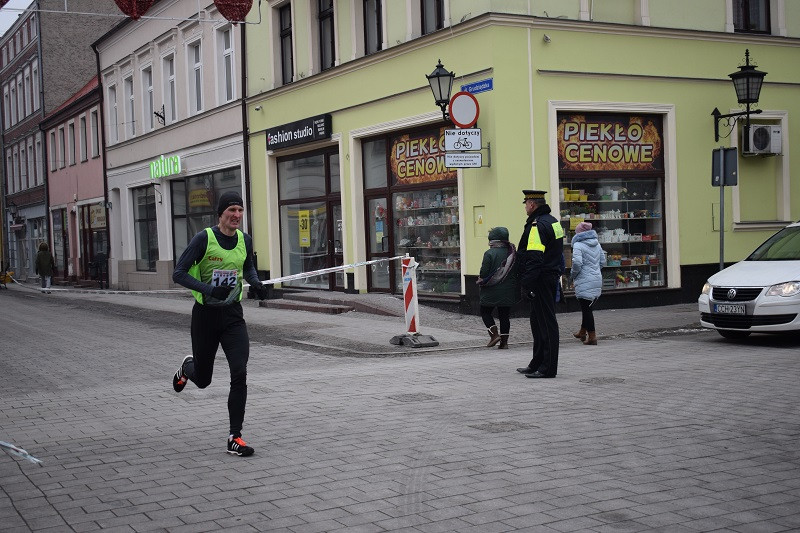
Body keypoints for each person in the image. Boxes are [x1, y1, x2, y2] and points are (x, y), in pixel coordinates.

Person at [171, 191, 270, 457]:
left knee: (239, 372)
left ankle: (234, 437)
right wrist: (207, 289)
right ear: (221, 214)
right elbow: (178, 273)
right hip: (205, 316)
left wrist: (257, 284)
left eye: (240, 210)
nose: (237, 215)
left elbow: (247, 267)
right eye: (232, 210)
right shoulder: (204, 238)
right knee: (203, 380)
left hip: (232, 315)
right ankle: (187, 367)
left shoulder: (244, 240)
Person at [515, 190, 565, 379]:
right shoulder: (553, 222)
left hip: (541, 279)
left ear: (532, 205)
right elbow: (558, 252)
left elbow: (535, 257)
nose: (525, 207)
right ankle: (536, 362)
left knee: (546, 323)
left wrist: (526, 284)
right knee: (537, 322)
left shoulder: (537, 225)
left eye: (526, 204)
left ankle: (547, 368)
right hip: (549, 276)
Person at [476, 227, 518, 349]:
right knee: (504, 315)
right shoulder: (512, 253)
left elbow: (484, 273)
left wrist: (481, 278)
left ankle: (494, 335)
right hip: (508, 289)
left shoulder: (489, 253)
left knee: (485, 312)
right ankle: (504, 343)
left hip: (491, 290)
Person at [569, 221, 606, 345]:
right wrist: (595, 272)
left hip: (584, 279)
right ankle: (582, 331)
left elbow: (577, 264)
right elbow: (603, 261)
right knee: (587, 307)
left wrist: (573, 276)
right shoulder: (597, 244)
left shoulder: (578, 245)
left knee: (586, 309)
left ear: (579, 233)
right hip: (596, 279)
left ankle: (592, 337)